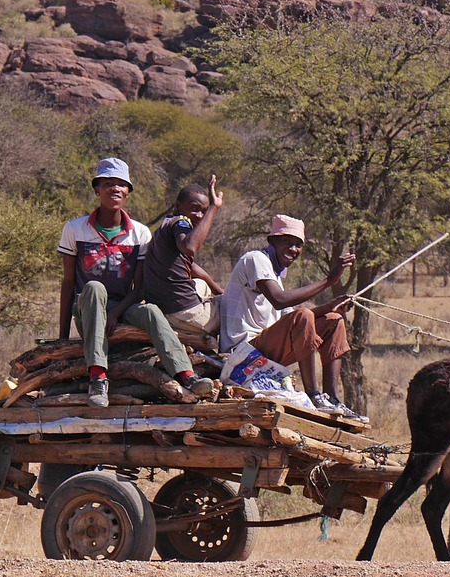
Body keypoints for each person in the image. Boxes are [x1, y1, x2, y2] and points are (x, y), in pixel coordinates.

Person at [57, 157, 215, 407]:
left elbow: (140, 286)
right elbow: (68, 283)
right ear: (97, 189)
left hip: (122, 306)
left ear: (128, 192)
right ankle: (98, 377)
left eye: (121, 184)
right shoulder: (75, 229)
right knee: (95, 287)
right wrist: (62, 338)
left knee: (151, 310)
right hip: (87, 307)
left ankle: (185, 374)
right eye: (108, 183)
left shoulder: (139, 233)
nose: (115, 189)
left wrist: (117, 313)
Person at [219, 214, 366, 421]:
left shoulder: (275, 274)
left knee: (334, 320)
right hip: (243, 351)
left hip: (266, 349)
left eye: (298, 245)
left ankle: (332, 398)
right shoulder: (255, 259)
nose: (293, 249)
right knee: (304, 314)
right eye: (286, 242)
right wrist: (328, 281)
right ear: (272, 241)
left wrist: (330, 306)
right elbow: (280, 301)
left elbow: (293, 321)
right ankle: (314, 395)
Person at [143, 176, 224, 337]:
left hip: (164, 307)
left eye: (204, 211)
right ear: (178, 206)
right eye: (195, 209)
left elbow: (192, 267)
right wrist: (213, 208)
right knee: (236, 307)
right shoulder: (181, 222)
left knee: (203, 284)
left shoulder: (165, 226)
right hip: (182, 312)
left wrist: (219, 291)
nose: (200, 216)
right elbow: (189, 247)